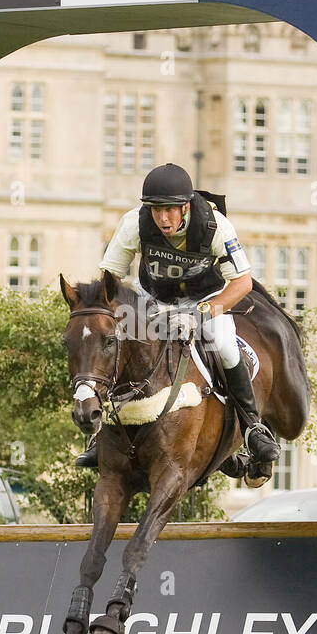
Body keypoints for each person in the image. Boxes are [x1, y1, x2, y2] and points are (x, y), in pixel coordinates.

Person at [74, 162, 281, 468]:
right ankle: (101, 435)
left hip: (205, 298)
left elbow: (242, 282)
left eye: (170, 210)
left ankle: (252, 428)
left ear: (185, 207)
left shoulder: (215, 226)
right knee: (119, 342)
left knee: (223, 345)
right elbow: (109, 279)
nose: (163, 218)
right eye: (156, 210)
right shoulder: (134, 224)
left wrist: (201, 315)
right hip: (153, 296)